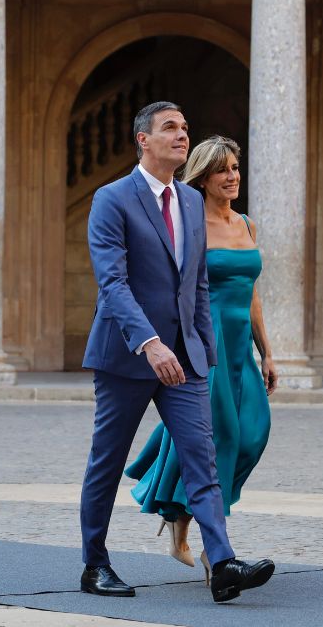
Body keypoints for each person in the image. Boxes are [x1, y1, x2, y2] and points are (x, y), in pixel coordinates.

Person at [79, 101, 275, 604]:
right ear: (143, 140)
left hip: (186, 358)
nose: (181, 135)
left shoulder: (189, 202)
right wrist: (149, 342)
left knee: (203, 459)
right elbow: (113, 283)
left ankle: (222, 563)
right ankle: (95, 565)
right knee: (107, 459)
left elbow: (197, 287)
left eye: (185, 128)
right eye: (170, 128)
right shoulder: (111, 199)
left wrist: (203, 352)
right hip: (128, 355)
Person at [124, 135, 276, 574]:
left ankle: (177, 512)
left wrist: (267, 353)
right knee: (218, 437)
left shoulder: (246, 224)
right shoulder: (189, 223)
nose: (232, 177)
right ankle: (216, 551)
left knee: (252, 434)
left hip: (240, 348)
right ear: (204, 179)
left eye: (235, 168)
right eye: (222, 170)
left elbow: (253, 296)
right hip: (205, 345)